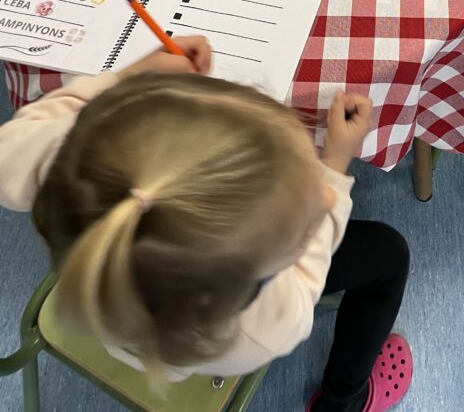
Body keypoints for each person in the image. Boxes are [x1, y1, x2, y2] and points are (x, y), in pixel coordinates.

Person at [0, 37, 412, 412]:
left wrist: (132, 76)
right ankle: (344, 400)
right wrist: (334, 169)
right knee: (390, 254)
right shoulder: (267, 326)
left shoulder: (67, 160)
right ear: (251, 283)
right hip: (177, 333)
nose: (324, 200)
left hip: (106, 304)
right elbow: (309, 272)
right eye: (298, 230)